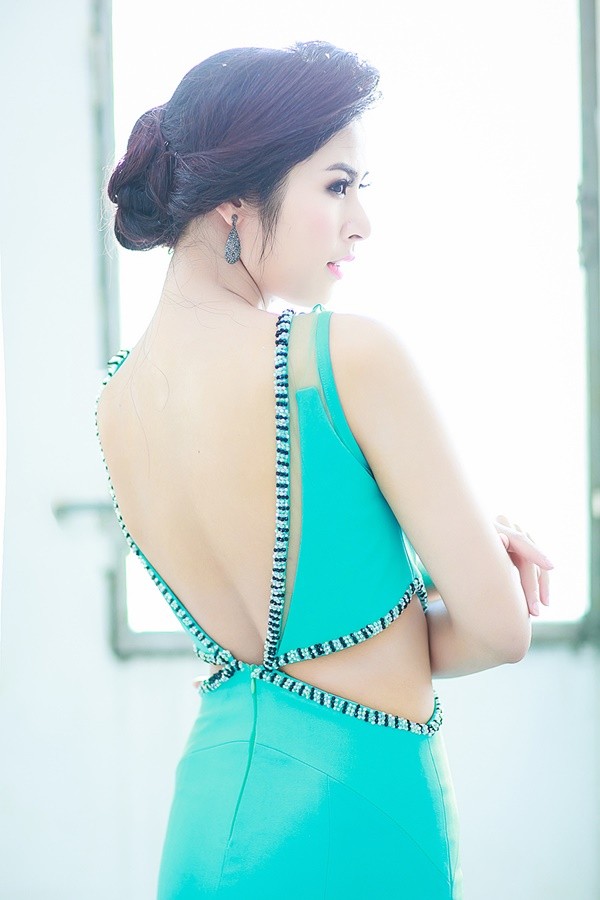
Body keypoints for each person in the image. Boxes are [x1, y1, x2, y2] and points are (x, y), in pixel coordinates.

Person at [96, 40, 554, 899]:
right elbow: (500, 632)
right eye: (338, 186)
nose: (362, 222)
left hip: (206, 817)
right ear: (236, 199)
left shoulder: (115, 404)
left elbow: (288, 637)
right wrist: (471, 569)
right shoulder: (344, 357)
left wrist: (407, 575)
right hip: (353, 813)